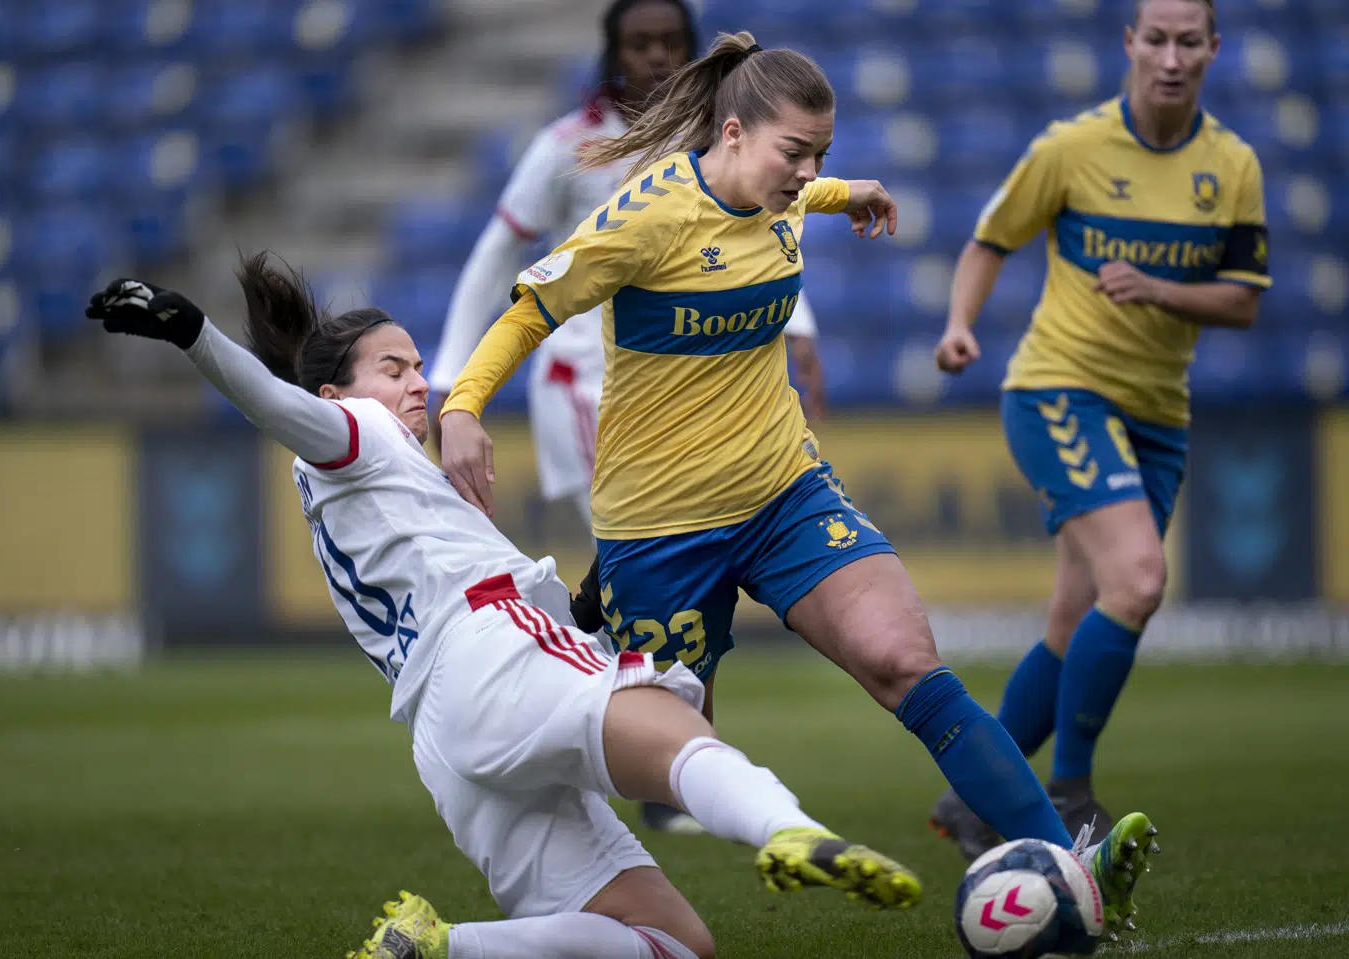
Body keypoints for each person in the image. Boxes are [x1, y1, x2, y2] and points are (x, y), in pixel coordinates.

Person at [437, 30, 1159, 938]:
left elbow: (792, 193)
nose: (807, 171)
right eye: (795, 153)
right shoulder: (642, 219)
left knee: (905, 661)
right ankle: (558, 895)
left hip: (784, 492)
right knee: (658, 757)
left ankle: (1071, 870)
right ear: (731, 133)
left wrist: (845, 191)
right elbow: (530, 305)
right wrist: (462, 405)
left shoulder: (781, 191)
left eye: (822, 153)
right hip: (659, 528)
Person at [84, 265, 923, 959]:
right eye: (395, 367)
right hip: (490, 657)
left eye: (418, 366)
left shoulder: (365, 485)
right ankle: (791, 828)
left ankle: (441, 947)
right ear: (339, 389)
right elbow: (276, 405)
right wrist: (190, 328)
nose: (418, 383)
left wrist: (585, 605)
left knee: (673, 946)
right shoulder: (357, 434)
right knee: (676, 730)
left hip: (448, 734)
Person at [428, 0, 825, 835]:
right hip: (586, 381)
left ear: (691, 52)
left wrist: (802, 327)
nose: (652, 57)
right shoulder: (568, 145)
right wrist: (450, 374)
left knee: (659, 574)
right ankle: (661, 750)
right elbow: (501, 255)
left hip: (694, 387)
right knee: (662, 561)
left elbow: (759, 234)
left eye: (667, 43)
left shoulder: (721, 141)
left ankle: (614, 661)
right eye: (637, 43)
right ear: (611, 52)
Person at [931, 0, 1267, 861]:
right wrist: (960, 322)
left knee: (1076, 614)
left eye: (1188, 41)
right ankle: (1069, 788)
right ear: (1129, 44)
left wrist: (1159, 290)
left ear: (1212, 51)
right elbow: (989, 239)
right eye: (1154, 38)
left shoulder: (1232, 165)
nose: (1170, 56)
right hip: (1058, 391)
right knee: (1141, 578)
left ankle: (972, 801)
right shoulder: (1069, 148)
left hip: (1158, 415)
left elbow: (1243, 298)